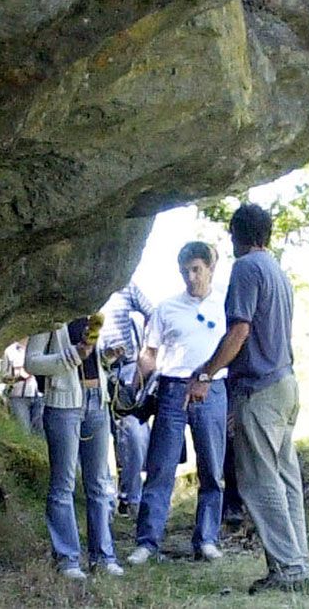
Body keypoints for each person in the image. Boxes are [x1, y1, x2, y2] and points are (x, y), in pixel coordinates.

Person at [188, 204, 309, 594]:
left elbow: (239, 331)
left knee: (260, 482)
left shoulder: (246, 268)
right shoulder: (278, 271)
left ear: (236, 235)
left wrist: (206, 373)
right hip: (286, 383)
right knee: (286, 479)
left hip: (260, 388)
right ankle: (297, 564)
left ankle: (288, 570)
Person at [126, 242, 228, 565]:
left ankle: (207, 538)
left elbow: (236, 343)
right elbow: (150, 352)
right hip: (172, 389)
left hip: (212, 388)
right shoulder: (166, 308)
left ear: (210, 268)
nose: (191, 276)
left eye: (197, 269)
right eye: (185, 270)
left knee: (212, 468)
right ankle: (147, 541)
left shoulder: (224, 304)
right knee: (160, 467)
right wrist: (134, 384)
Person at [25, 317, 123, 580]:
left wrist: (106, 357)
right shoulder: (52, 316)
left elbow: (92, 361)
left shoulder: (93, 313)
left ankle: (103, 556)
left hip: (97, 401)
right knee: (63, 484)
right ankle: (68, 559)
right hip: (62, 404)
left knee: (100, 482)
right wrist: (72, 355)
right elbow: (32, 362)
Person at [98, 283, 155, 519]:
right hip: (95, 372)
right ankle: (106, 502)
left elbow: (154, 314)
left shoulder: (127, 287)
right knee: (101, 440)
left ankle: (133, 498)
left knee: (134, 434)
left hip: (128, 371)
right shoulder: (85, 289)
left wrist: (146, 352)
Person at [0, 338, 44, 435]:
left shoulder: (41, 347)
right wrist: (19, 377)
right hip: (18, 397)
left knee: (40, 433)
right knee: (23, 431)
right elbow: (3, 377)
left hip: (40, 396)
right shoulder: (9, 351)